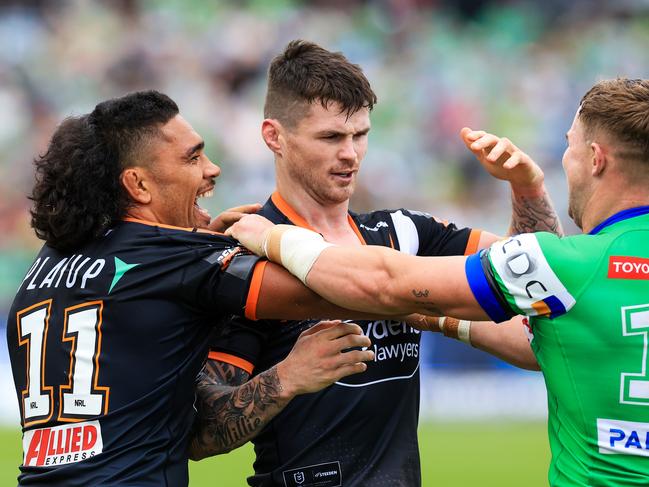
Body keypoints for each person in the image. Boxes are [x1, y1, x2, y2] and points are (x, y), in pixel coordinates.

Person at [229, 78, 649, 486]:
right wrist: (437, 318)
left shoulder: (571, 263)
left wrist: (270, 236)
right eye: (331, 137)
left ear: (596, 159)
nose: (350, 154)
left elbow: (384, 283)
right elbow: (546, 335)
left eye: (568, 144)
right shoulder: (575, 271)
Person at [190, 40, 561, 486]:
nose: (350, 154)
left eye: (360, 135)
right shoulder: (243, 255)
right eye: (330, 137)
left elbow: (534, 278)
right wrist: (288, 377)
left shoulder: (404, 233)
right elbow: (201, 433)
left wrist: (527, 188)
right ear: (274, 136)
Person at [5, 90, 382, 486]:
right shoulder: (169, 258)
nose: (212, 168)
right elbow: (352, 288)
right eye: (193, 157)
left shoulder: (46, 265)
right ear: (138, 184)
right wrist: (287, 373)